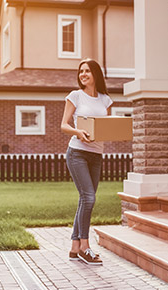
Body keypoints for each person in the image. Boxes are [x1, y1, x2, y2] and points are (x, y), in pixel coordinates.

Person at [60, 58, 112, 265]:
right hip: (77, 152)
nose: (83, 74)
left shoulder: (105, 100)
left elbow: (106, 126)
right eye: (81, 71)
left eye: (87, 71)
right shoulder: (75, 96)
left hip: (96, 154)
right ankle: (85, 246)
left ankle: (74, 247)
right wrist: (78, 132)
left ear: (96, 75)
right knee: (89, 198)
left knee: (85, 199)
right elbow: (64, 125)